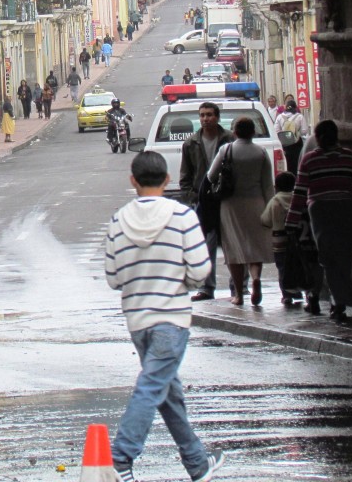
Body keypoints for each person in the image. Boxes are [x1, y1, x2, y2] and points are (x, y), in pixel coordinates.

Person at [105, 151, 226, 482]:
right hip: (172, 318)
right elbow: (200, 271)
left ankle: (197, 463)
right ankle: (120, 458)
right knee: (152, 386)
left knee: (167, 393)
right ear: (167, 179)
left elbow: (113, 277)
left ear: (133, 181)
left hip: (137, 320)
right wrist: (179, 280)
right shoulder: (182, 216)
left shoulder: (118, 221)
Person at [286, 120, 352, 322]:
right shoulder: (349, 156)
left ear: (318, 137)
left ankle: (335, 300)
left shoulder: (310, 160)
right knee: (343, 256)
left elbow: (300, 192)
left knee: (327, 258)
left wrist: (291, 220)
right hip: (347, 210)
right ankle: (338, 300)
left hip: (321, 212)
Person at [207, 116, 275, 307]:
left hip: (231, 205)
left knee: (234, 249)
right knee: (254, 247)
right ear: (253, 132)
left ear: (235, 132)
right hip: (256, 203)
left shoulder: (226, 150)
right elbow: (267, 184)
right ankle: (256, 278)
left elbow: (211, 176)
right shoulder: (260, 152)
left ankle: (238, 294)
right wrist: (269, 208)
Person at [178, 102, 234, 302]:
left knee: (233, 244)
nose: (205, 119)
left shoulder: (230, 140)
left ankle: (239, 287)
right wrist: (192, 197)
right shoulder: (191, 143)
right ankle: (207, 288)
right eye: (202, 115)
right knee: (205, 246)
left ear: (217, 117)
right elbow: (185, 175)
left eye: (209, 115)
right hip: (203, 202)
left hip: (227, 199)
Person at [261, 171, 304, 306]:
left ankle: (287, 295)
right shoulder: (298, 198)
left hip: (280, 243)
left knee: (283, 269)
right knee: (300, 266)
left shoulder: (275, 201)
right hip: (299, 240)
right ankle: (298, 290)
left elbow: (265, 220)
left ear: (276, 187)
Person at [275, 99, 309, 173]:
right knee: (296, 161)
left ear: (286, 107)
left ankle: (287, 175)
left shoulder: (280, 117)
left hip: (284, 143)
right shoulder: (300, 116)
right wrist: (297, 132)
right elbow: (304, 130)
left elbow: (276, 130)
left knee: (286, 161)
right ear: (295, 107)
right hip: (296, 143)